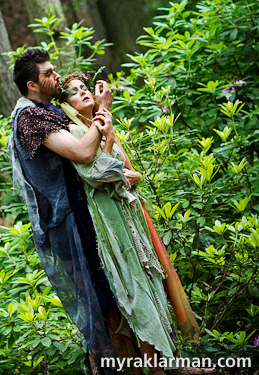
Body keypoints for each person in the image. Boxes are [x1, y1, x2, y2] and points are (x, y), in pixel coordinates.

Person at [57, 74, 202, 374]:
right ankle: (159, 370)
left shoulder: (99, 124)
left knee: (151, 283)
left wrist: (116, 154)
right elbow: (96, 176)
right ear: (65, 104)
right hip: (111, 223)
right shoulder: (74, 131)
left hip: (131, 215)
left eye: (84, 88)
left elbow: (131, 174)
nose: (82, 93)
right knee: (134, 293)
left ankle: (169, 366)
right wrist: (108, 139)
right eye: (73, 92)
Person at [10, 48, 121, 374]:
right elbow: (83, 153)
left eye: (54, 70)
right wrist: (101, 111)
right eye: (47, 74)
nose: (55, 76)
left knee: (107, 299)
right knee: (94, 308)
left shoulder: (48, 110)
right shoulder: (29, 118)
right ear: (32, 85)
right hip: (65, 222)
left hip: (80, 214)